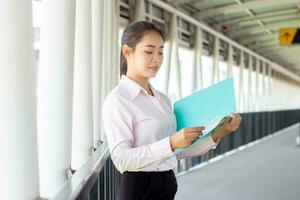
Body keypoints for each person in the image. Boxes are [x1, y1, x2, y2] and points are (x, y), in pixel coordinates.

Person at [102, 21, 242, 200]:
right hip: (139, 189)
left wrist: (218, 133)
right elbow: (122, 160)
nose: (157, 58)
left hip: (166, 183)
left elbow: (178, 150)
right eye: (149, 51)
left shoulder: (163, 100)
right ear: (127, 51)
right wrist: (171, 142)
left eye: (160, 52)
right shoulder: (118, 100)